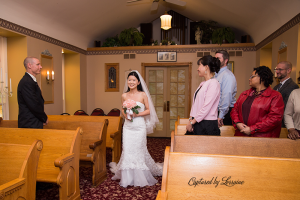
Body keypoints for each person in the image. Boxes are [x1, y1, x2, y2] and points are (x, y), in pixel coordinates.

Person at [109, 70, 162, 187]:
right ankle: (127, 178)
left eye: (134, 80)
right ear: (127, 81)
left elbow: (148, 110)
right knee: (127, 150)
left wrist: (137, 114)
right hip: (128, 127)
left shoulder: (143, 95)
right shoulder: (124, 95)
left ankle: (139, 177)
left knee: (138, 151)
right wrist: (125, 114)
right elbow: (122, 109)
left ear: (138, 82)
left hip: (139, 127)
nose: (131, 82)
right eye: (129, 80)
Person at [230, 66, 284, 137]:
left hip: (262, 138)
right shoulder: (244, 94)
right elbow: (234, 110)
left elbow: (275, 119)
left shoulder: (275, 96)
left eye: (252, 76)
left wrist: (252, 129)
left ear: (262, 78)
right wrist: (237, 123)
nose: (249, 79)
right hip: (241, 135)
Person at [186, 55, 221, 135]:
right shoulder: (203, 84)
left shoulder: (214, 83)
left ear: (206, 67)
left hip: (207, 124)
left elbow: (206, 107)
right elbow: (195, 106)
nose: (197, 69)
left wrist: (192, 122)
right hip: (198, 122)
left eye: (199, 65)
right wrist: (191, 120)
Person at [17, 57, 48, 128]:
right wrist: (44, 118)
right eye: (38, 64)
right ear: (29, 66)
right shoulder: (27, 82)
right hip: (30, 123)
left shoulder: (30, 80)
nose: (41, 66)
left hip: (33, 121)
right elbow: (33, 104)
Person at [215, 50, 237, 127]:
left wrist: (221, 116)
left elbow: (226, 97)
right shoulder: (216, 74)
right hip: (217, 111)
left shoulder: (227, 75)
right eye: (215, 58)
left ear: (226, 60)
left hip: (225, 112)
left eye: (218, 58)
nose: (216, 60)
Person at [273, 61, 299, 127]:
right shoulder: (276, 87)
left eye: (280, 69)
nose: (277, 71)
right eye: (276, 69)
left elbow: (287, 108)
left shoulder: (293, 86)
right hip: (275, 122)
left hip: (284, 124)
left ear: (288, 70)